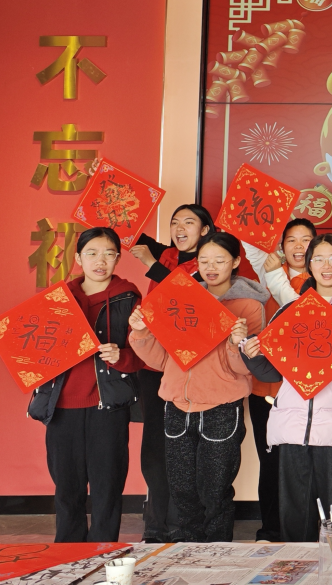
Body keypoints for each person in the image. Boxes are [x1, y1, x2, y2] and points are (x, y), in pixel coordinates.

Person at [239, 234, 332, 543]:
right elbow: (273, 370)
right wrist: (251, 355)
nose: (326, 266)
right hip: (292, 423)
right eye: (318, 259)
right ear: (309, 265)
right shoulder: (290, 310)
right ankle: (297, 565)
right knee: (294, 513)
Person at [128, 231, 268, 542]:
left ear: (235, 262)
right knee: (181, 487)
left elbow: (246, 367)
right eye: (204, 261)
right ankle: (185, 549)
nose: (211, 267)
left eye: (219, 260)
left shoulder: (248, 306)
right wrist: (141, 333)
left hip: (221, 407)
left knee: (215, 488)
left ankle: (216, 551)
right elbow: (161, 360)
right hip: (177, 403)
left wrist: (235, 343)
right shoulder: (181, 299)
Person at [29, 228, 142, 543]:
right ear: (78, 258)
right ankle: (67, 552)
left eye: (108, 253)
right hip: (61, 406)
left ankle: (103, 551)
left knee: (108, 486)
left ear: (118, 258)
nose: (100, 260)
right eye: (91, 253)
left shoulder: (129, 298)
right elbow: (36, 350)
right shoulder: (58, 299)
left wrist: (121, 356)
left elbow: (145, 356)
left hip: (108, 406)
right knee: (67, 488)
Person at [127, 203, 214, 542]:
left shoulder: (208, 263)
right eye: (175, 222)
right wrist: (105, 188)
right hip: (153, 364)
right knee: (154, 446)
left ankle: (183, 523)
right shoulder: (166, 254)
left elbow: (191, 297)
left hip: (189, 367)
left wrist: (151, 266)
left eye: (189, 222)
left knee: (185, 446)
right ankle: (155, 523)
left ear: (205, 230)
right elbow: (129, 229)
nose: (179, 228)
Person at [241, 217, 315, 542]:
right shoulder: (269, 272)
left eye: (306, 239)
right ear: (282, 246)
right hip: (266, 386)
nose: (299, 246)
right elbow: (252, 246)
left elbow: (300, 313)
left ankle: (304, 531)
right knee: (270, 461)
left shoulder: (323, 281)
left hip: (304, 389)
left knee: (303, 463)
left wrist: (275, 275)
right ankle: (270, 529)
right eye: (292, 240)